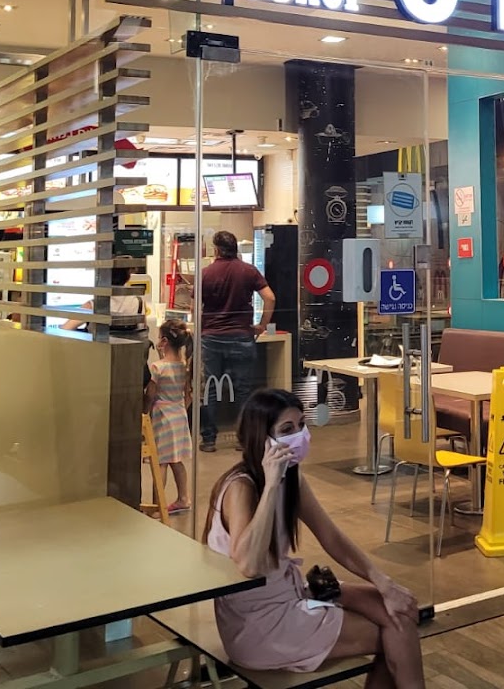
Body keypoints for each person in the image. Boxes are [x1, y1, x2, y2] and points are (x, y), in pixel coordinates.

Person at [204, 389, 425, 687]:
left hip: (291, 596)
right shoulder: (241, 488)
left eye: (301, 425)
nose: (299, 435)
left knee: (399, 613)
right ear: (262, 439)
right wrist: (271, 486)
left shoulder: (292, 477)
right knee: (395, 632)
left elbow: (331, 537)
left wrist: (382, 582)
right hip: (258, 626)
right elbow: (248, 564)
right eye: (287, 429)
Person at [200, 230, 276, 453]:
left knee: (211, 388)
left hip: (212, 337)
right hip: (241, 336)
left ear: (216, 249)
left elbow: (196, 307)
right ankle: (242, 439)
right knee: (243, 390)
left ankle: (209, 440)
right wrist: (262, 325)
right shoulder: (248, 271)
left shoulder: (206, 273)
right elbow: (270, 297)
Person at [147, 318, 194, 513]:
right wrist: (180, 408)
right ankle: (184, 498)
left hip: (162, 417)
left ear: (164, 341)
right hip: (179, 414)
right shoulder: (183, 366)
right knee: (176, 459)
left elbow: (150, 394)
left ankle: (157, 505)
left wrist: (145, 412)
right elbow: (188, 395)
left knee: (160, 461)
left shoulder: (157, 367)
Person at [60, 266, 147, 335]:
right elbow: (141, 331)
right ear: (128, 278)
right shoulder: (139, 303)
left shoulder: (93, 305)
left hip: (98, 351)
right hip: (128, 351)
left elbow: (66, 329)